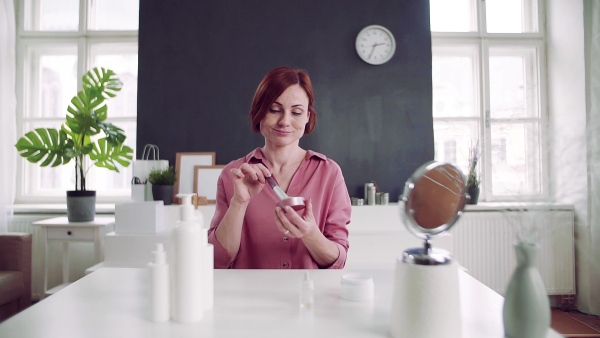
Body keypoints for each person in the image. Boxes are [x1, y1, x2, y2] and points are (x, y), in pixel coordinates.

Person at [207, 66, 351, 269]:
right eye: (274, 110)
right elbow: (216, 260)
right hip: (247, 298)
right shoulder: (234, 174)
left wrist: (310, 234)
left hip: (307, 298)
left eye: (297, 112)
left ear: (307, 117)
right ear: (260, 112)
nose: (285, 121)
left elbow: (338, 261)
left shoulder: (329, 173)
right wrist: (239, 203)